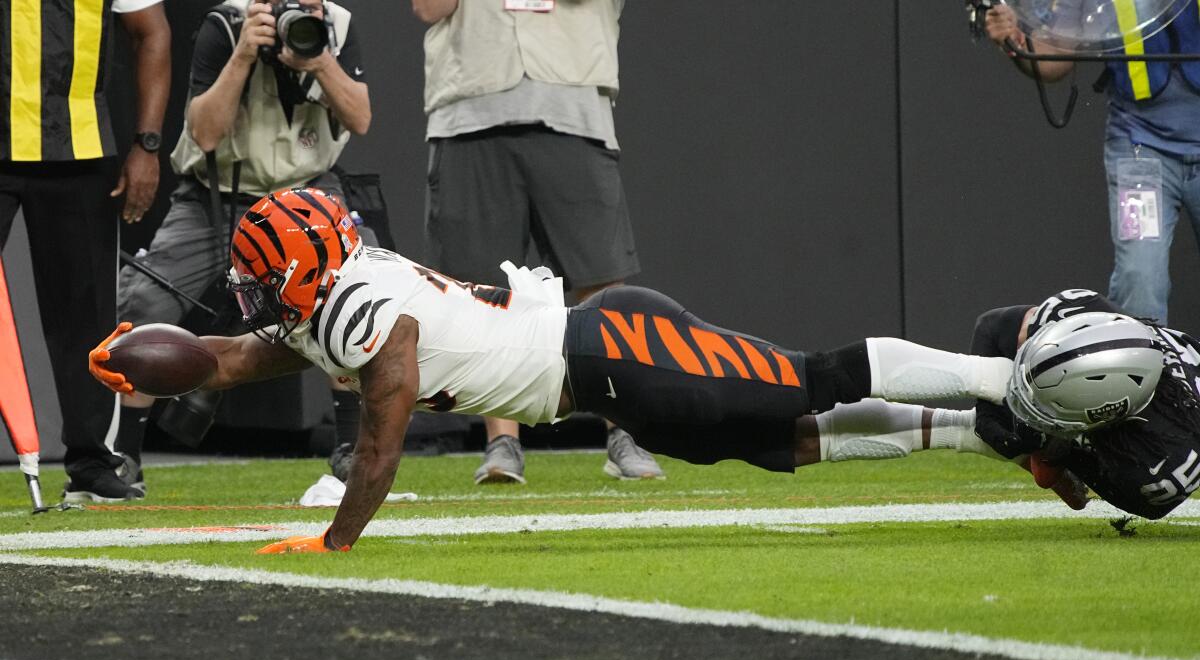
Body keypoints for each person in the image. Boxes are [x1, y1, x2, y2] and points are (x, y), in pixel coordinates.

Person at [89, 189, 1016, 552]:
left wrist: (334, 544)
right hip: (602, 376)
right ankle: (991, 435)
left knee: (810, 381)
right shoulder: (325, 299)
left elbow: (379, 448)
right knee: (785, 446)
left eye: (257, 275)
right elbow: (228, 358)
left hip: (616, 352)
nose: (246, 290)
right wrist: (137, 361)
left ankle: (994, 382)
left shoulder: (368, 314)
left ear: (297, 271)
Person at [114, 0, 372, 494]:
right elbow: (205, 133)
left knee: (357, 295)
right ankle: (123, 454)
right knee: (143, 300)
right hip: (220, 198)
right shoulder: (227, 25)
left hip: (308, 196)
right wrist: (243, 57)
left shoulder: (335, 26)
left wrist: (319, 59)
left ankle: (350, 447)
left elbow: (360, 119)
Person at [413, 0, 665, 484]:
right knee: (478, 292)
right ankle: (501, 443)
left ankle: (623, 433)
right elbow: (429, 8)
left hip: (571, 104)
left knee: (601, 283)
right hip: (469, 106)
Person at [790, 288, 1200, 520]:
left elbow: (1138, 503)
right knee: (984, 378)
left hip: (1135, 449)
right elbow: (993, 325)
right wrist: (989, 412)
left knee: (976, 429)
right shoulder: (1087, 312)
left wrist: (1054, 452)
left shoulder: (1158, 474)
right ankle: (806, 380)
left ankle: (796, 402)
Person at [0, 0, 171, 502]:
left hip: (79, 151)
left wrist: (148, 145)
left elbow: (152, 33)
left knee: (86, 314)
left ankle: (93, 463)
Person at [985, 3, 1200, 324]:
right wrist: (1013, 40)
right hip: (1139, 150)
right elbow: (1053, 54)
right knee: (1138, 279)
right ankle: (1147, 370)